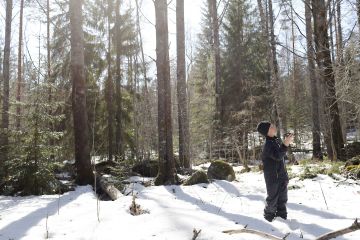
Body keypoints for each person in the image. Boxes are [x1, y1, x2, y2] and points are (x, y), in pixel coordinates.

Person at [257, 121, 294, 222]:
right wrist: (286, 143)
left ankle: (282, 218)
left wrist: (285, 142)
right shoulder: (267, 145)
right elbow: (278, 156)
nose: (274, 127)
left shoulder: (275, 141)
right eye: (271, 127)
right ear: (267, 131)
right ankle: (268, 219)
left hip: (281, 176)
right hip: (273, 179)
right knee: (273, 199)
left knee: (283, 199)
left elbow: (281, 157)